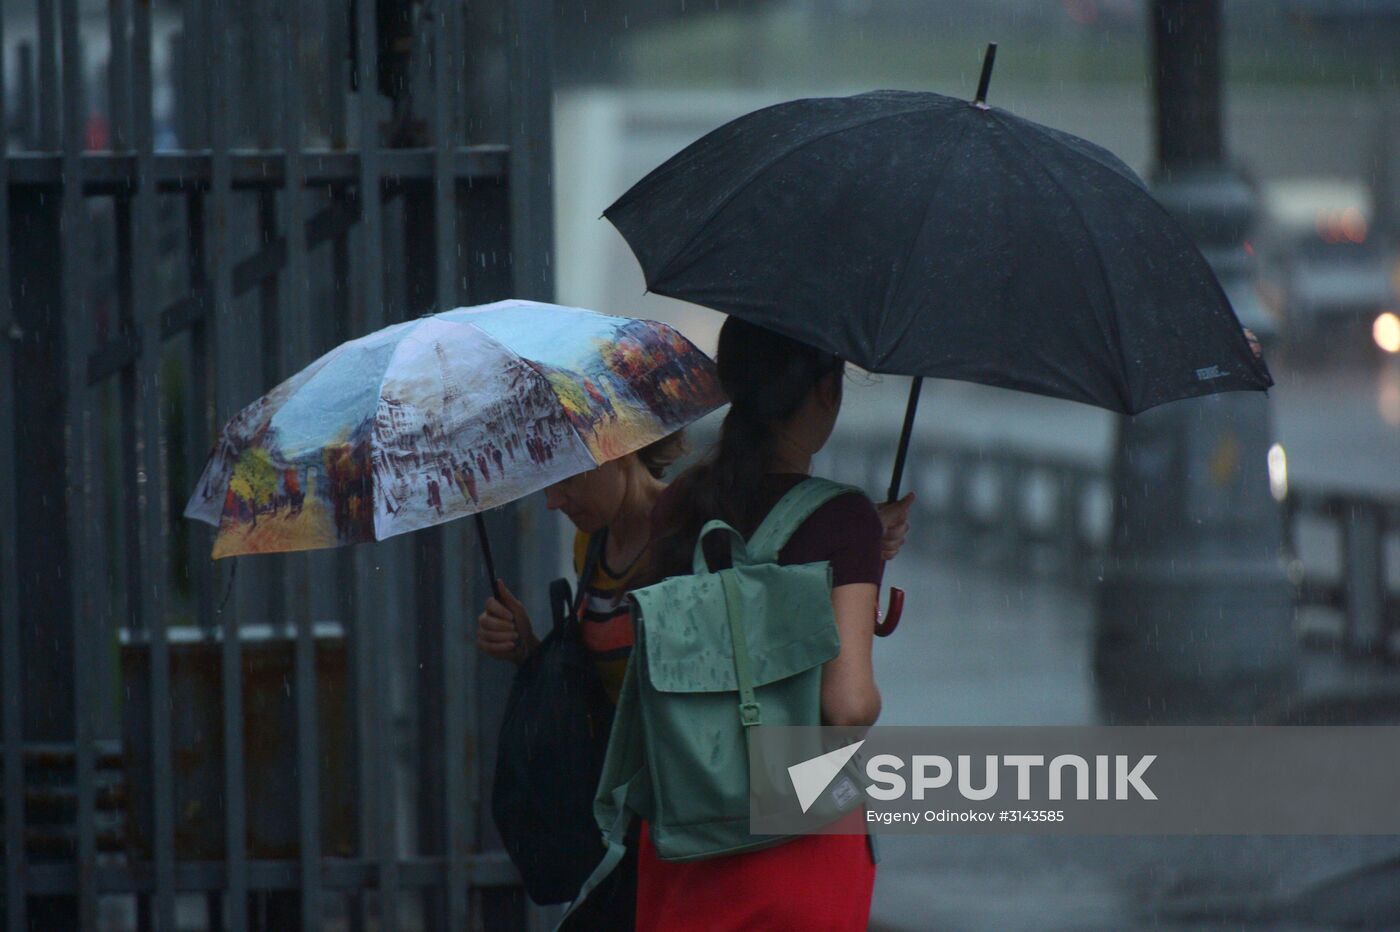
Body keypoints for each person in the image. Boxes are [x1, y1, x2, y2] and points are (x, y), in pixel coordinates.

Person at [636, 316, 895, 931]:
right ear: (826, 392)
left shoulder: (676, 505)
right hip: (798, 838)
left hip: (685, 825)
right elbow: (848, 705)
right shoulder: (844, 520)